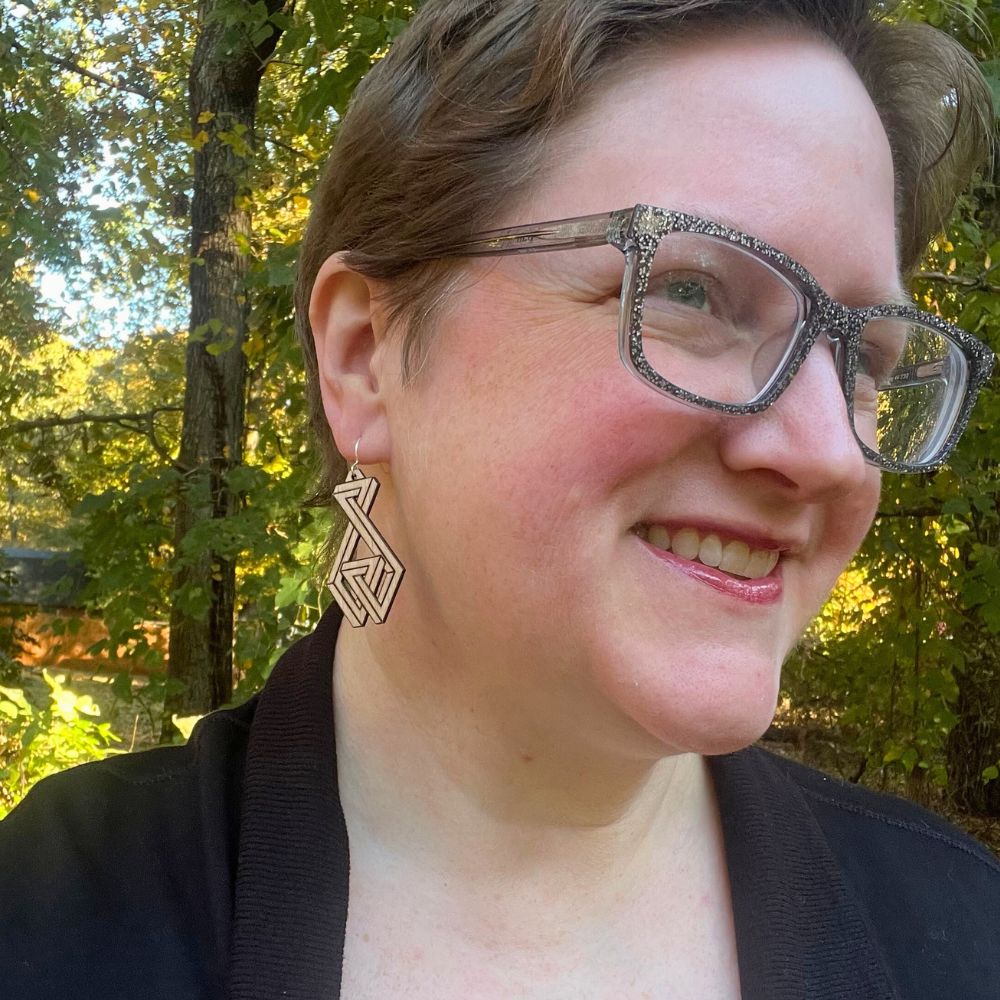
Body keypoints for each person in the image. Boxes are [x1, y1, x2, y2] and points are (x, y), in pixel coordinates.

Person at [2, 1, 998, 998]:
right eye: (692, 292)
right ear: (364, 358)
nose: (829, 449)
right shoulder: (55, 922)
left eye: (865, 358)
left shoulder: (959, 932)